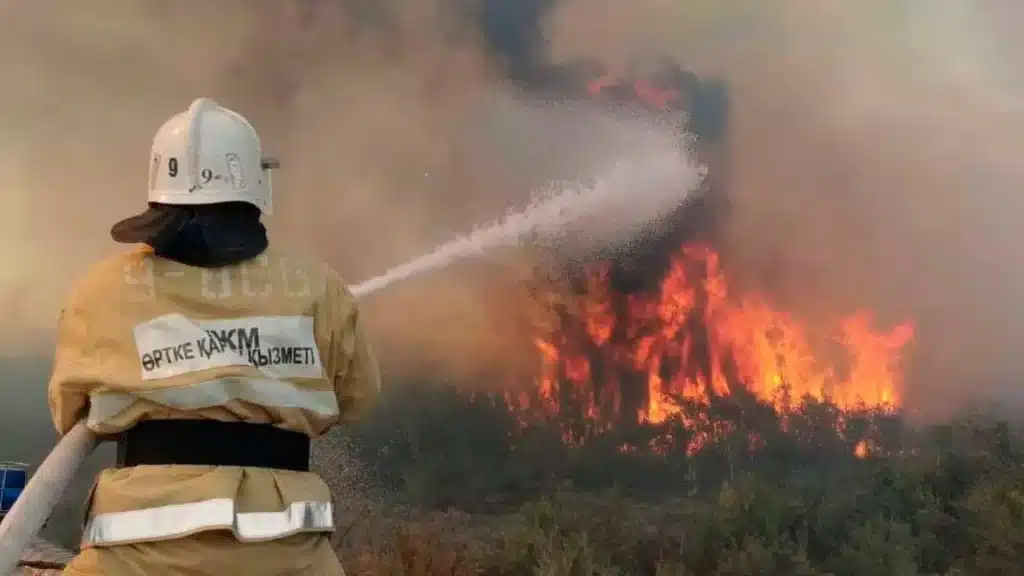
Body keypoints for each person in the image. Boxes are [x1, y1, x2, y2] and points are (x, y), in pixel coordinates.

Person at [49, 98, 381, 575]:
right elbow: (358, 400)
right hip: (287, 557)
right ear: (256, 185)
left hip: (131, 558)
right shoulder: (318, 287)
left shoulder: (99, 291)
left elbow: (70, 411)